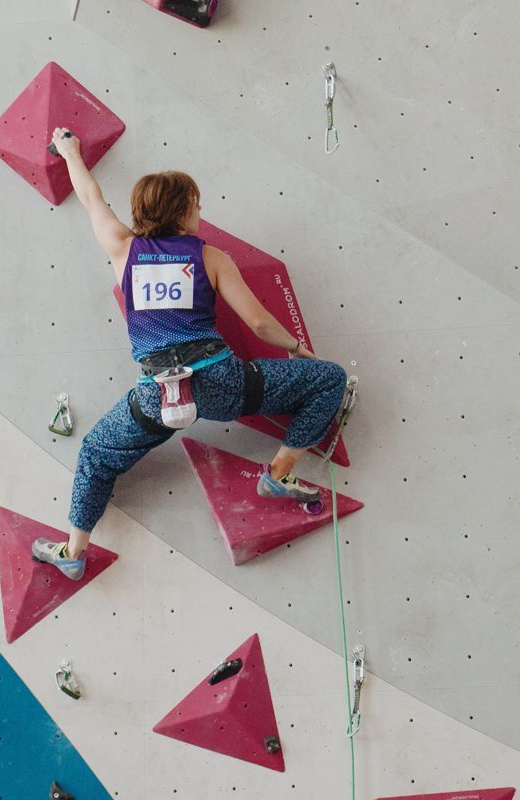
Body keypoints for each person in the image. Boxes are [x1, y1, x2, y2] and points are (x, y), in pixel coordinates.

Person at [32, 128, 348, 580]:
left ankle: (74, 551)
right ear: (181, 210)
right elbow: (258, 323)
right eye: (195, 203)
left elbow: (90, 197)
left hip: (157, 395)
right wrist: (299, 350)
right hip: (222, 383)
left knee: (97, 453)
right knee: (329, 379)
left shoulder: (123, 248)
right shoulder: (210, 257)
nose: (200, 210)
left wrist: (69, 152)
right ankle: (279, 472)